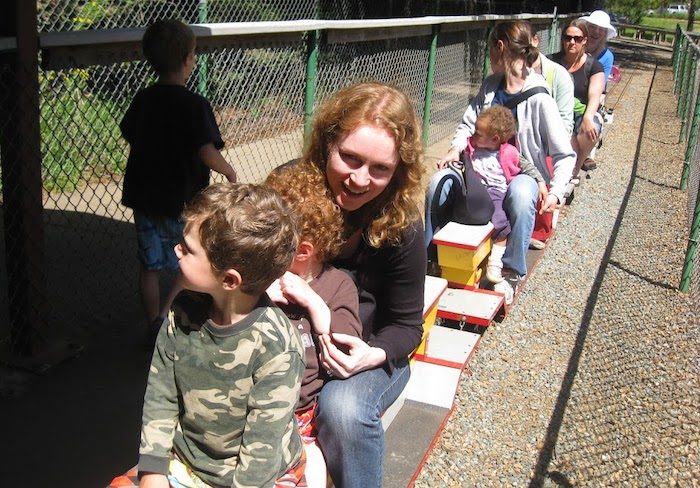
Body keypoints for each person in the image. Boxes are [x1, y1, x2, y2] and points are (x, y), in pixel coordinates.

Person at [283, 81, 426, 487]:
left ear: (398, 170)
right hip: (289, 337)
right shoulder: (291, 189)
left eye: (380, 168)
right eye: (349, 158)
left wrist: (373, 355)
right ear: (328, 143)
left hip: (362, 354)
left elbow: (406, 327)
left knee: (343, 409)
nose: (360, 180)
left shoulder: (402, 225)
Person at [138, 183, 306, 488]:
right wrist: (153, 470)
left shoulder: (276, 348)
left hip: (256, 476)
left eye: (188, 249)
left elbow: (261, 452)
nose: (177, 249)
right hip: (186, 462)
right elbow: (161, 393)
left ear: (229, 279)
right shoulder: (181, 312)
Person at [432, 20, 576, 299]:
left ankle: (511, 272)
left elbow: (564, 153)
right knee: (439, 182)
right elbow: (467, 125)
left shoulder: (539, 97)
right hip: (478, 167)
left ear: (500, 47)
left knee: (521, 194)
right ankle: (432, 258)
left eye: (490, 49)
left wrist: (557, 191)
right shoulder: (489, 87)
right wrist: (455, 148)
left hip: (518, 172)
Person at [120, 19, 237, 348]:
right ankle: (172, 323)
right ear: (188, 59)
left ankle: (152, 321)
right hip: (182, 201)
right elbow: (206, 150)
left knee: (150, 266)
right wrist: (228, 172)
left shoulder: (143, 99)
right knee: (188, 260)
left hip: (145, 198)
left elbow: (130, 133)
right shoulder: (194, 105)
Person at [264, 164, 363, 488]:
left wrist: (314, 304)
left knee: (308, 469)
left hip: (301, 414)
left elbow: (346, 349)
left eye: (267, 239)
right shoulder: (258, 278)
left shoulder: (337, 286)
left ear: (302, 251)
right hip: (250, 408)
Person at [464, 106, 547, 286]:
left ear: (494, 139)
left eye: (478, 134)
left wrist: (540, 183)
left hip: (494, 193)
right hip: (473, 189)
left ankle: (496, 262)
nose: (474, 136)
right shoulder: (471, 147)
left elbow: (527, 167)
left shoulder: (508, 153)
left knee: (499, 223)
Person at [528, 22, 575, 250]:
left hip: (546, 141)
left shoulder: (558, 75)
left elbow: (565, 122)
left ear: (535, 41)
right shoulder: (502, 76)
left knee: (543, 166)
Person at [551, 19, 606, 177]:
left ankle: (576, 166)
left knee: (592, 127)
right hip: (555, 112)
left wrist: (588, 116)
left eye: (577, 38)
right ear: (562, 40)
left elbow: (595, 95)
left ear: (585, 41)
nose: (572, 42)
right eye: (568, 38)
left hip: (580, 112)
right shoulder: (551, 62)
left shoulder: (594, 66)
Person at [580, 10, 617, 85]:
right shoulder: (576, 45)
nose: (596, 32)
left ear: (605, 33)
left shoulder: (607, 56)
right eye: (593, 26)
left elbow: (601, 85)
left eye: (601, 29)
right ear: (586, 28)